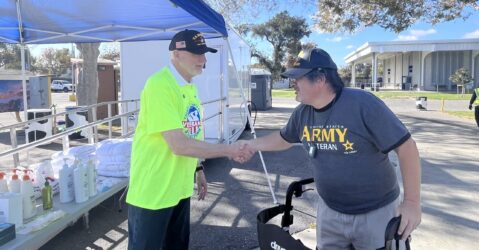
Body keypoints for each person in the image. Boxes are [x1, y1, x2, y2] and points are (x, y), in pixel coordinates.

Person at [243, 48, 421, 249]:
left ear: (320, 79)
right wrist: (251, 145)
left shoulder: (363, 104)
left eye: (297, 78)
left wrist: (412, 203)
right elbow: (284, 139)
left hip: (376, 212)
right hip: (330, 212)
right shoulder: (303, 113)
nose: (293, 83)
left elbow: (407, 148)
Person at [126, 29, 253, 250]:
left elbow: (192, 134)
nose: (203, 60)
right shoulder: (159, 85)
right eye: (196, 53)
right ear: (176, 54)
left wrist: (199, 169)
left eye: (204, 53)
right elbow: (179, 144)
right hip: (153, 194)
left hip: (178, 190)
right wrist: (229, 150)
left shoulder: (190, 87)